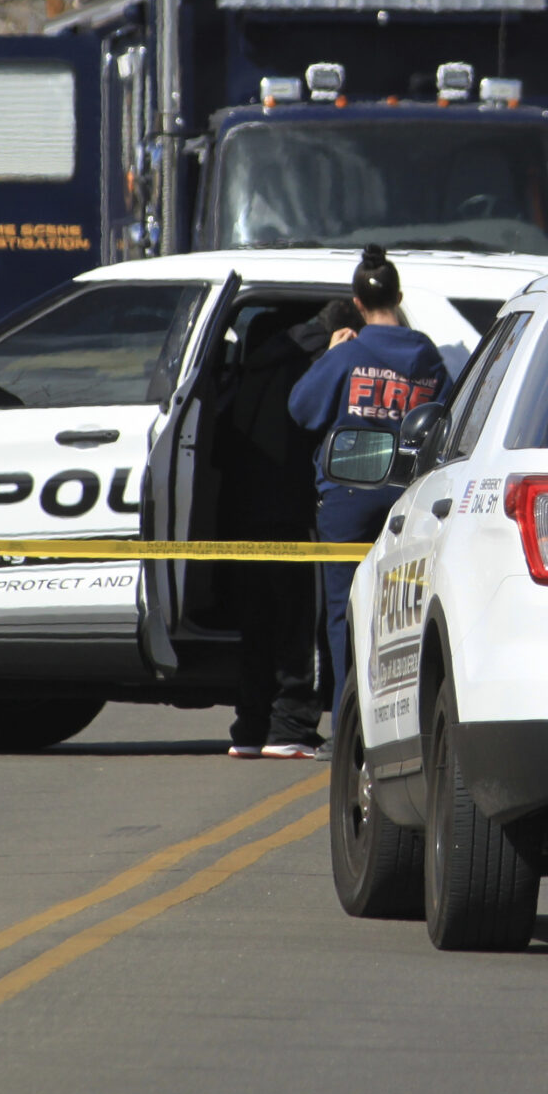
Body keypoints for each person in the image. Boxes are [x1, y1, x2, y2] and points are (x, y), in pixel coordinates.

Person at [290, 246, 444, 733]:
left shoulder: (350, 353)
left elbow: (301, 408)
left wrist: (333, 358)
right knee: (406, 615)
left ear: (357, 304)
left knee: (344, 615)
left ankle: (348, 727)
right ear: (398, 296)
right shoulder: (429, 357)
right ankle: (401, 724)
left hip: (348, 499)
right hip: (409, 500)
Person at [213, 297, 357, 760]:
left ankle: (250, 726)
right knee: (303, 627)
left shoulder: (258, 361)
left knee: (258, 624)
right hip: (296, 513)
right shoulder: (324, 361)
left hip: (248, 513)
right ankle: (291, 725)